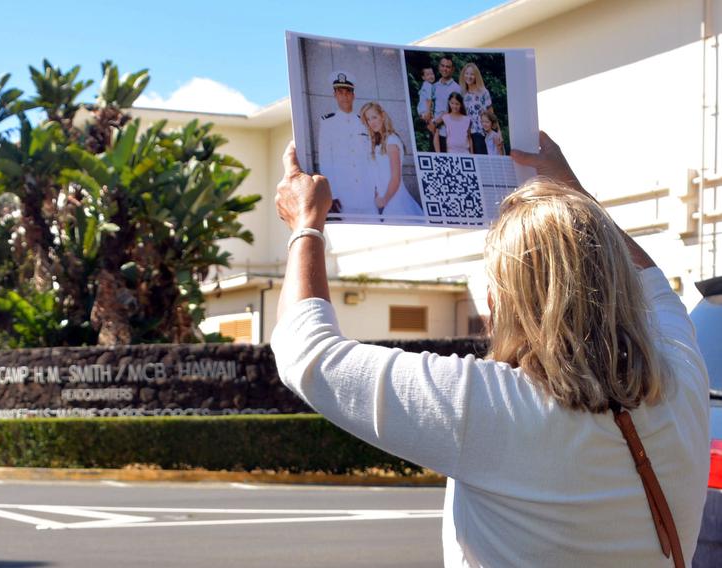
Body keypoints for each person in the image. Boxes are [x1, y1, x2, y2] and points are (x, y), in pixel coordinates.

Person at [272, 133, 709, 567]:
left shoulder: (486, 406)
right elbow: (653, 282)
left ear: (499, 303)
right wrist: (572, 195)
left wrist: (306, 224)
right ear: (618, 282)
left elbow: (306, 350)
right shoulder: (683, 380)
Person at [317, 71, 371, 218]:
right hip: (342, 196)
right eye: (340, 92)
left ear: (353, 95)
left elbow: (371, 158)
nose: (344, 96)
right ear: (335, 95)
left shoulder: (365, 122)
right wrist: (331, 194)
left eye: (348, 92)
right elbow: (325, 161)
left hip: (367, 192)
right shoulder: (327, 122)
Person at [359, 102, 424, 219]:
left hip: (396, 201)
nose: (372, 122)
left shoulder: (391, 141)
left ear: (382, 116)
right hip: (386, 201)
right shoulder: (378, 143)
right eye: (368, 119)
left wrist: (385, 200)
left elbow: (396, 177)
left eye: (374, 117)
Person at [459, 63, 494, 154]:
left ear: (476, 76)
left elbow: (491, 114)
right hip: (467, 135)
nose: (469, 76)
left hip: (482, 133)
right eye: (467, 73)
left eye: (472, 74)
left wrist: (498, 133)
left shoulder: (483, 92)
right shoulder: (462, 94)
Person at [429, 56, 461, 153]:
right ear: (439, 67)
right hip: (434, 131)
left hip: (448, 133)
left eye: (448, 67)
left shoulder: (457, 88)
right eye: (442, 66)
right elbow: (430, 107)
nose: (445, 69)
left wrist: (436, 122)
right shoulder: (434, 86)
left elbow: (453, 110)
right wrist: (431, 123)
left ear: (452, 69)